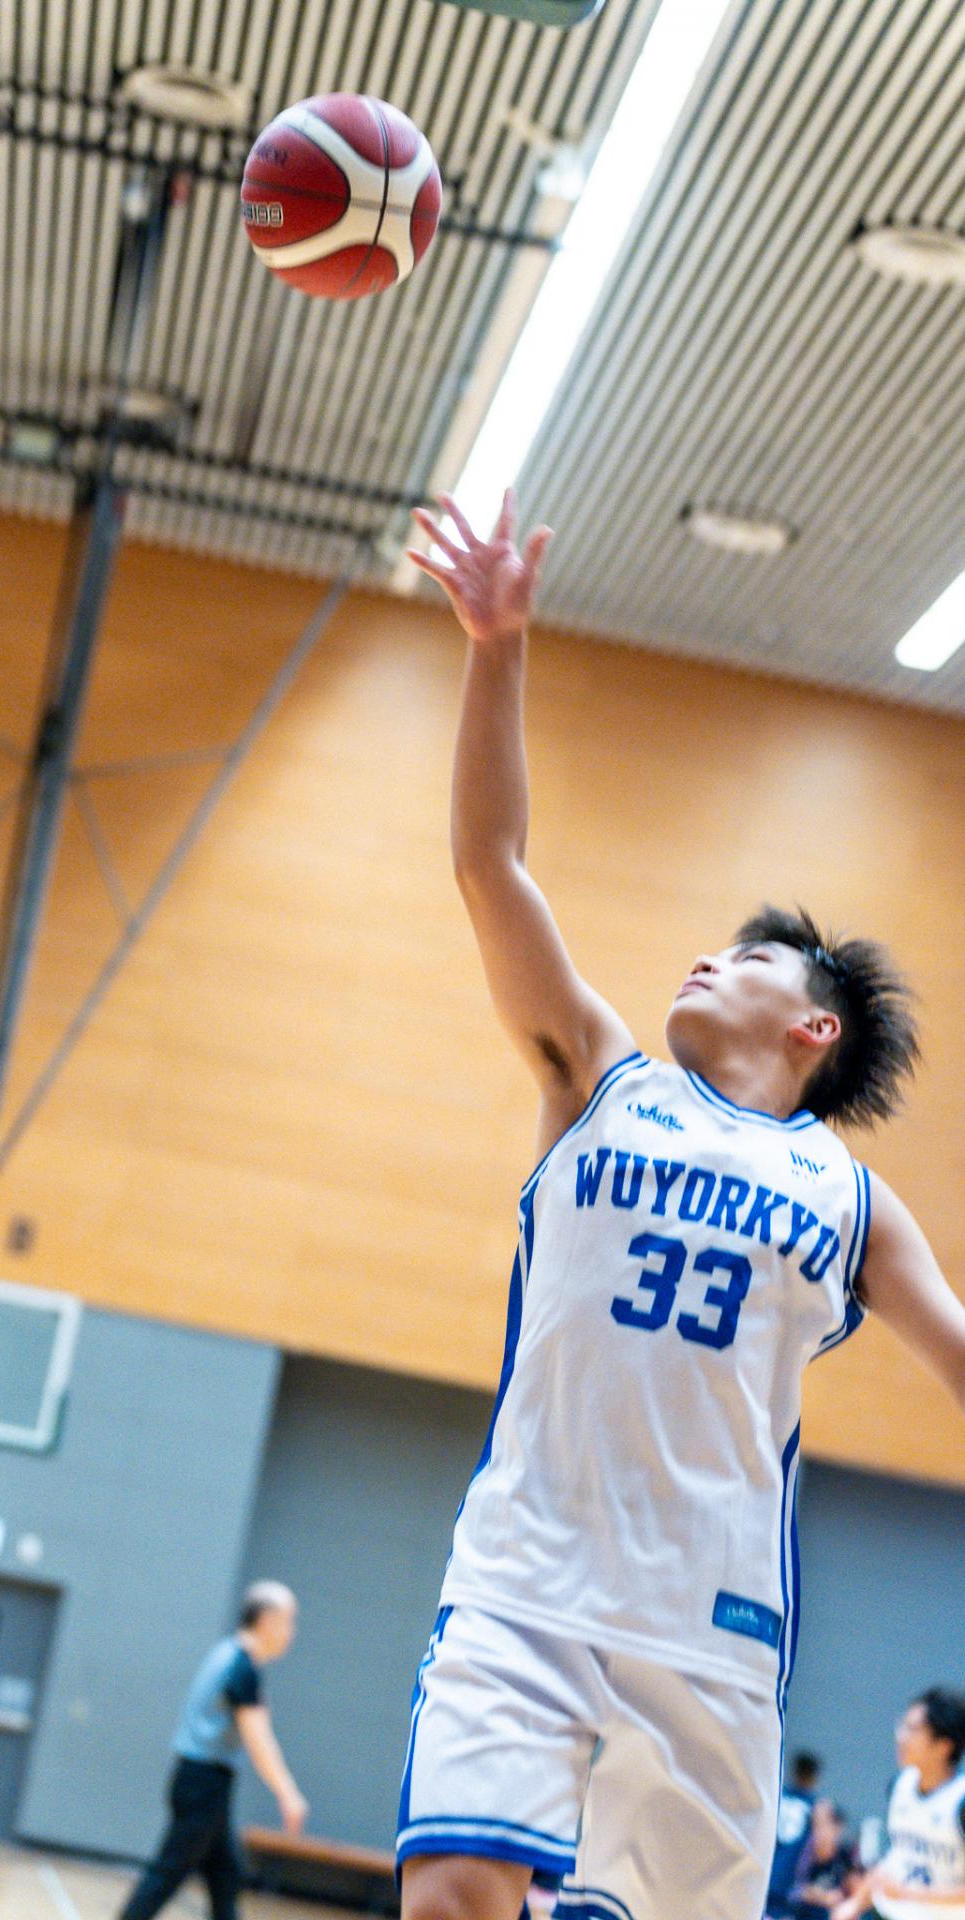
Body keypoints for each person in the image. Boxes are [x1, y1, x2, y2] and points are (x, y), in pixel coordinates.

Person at [395, 489, 965, 1920]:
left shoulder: (848, 1197)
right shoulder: (597, 1073)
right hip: (524, 1574)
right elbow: (487, 868)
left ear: (813, 1030)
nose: (705, 963)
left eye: (746, 958)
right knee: (454, 1887)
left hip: (705, 1633)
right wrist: (494, 649)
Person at [119, 1582, 308, 1920]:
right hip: (203, 1784)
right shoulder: (242, 1668)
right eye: (289, 1620)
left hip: (202, 1781)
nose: (292, 1631)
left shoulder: (226, 1652)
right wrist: (287, 1793)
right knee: (168, 1872)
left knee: (225, 1874)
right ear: (266, 1620)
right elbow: (259, 1740)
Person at [835, 1690, 965, 1920]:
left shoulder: (959, 1802)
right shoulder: (900, 1785)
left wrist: (910, 1894)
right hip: (889, 1913)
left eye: (913, 1729)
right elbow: (895, 1858)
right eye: (902, 1725)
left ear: (943, 1745)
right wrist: (854, 1904)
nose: (901, 1737)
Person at [769, 1754, 826, 1916]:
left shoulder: (778, 1796)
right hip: (787, 1883)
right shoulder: (816, 1807)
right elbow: (822, 1850)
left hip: (765, 1871)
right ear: (815, 1777)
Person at [789, 1799, 858, 1915]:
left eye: (823, 1824)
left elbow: (855, 1892)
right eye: (814, 1824)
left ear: (837, 1827)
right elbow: (792, 1891)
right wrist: (822, 1897)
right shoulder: (801, 1851)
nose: (817, 1831)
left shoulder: (846, 1854)